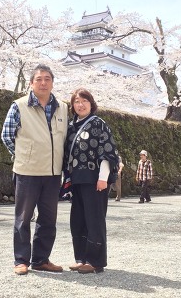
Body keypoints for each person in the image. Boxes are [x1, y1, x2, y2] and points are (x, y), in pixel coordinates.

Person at [1, 64, 68, 275]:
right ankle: (21, 260)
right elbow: (6, 135)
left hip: (52, 173)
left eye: (47, 79)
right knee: (23, 217)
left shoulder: (63, 108)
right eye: (39, 79)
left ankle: (41, 259)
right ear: (31, 83)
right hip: (27, 172)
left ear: (52, 83)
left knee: (48, 219)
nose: (43, 83)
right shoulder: (19, 106)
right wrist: (23, 155)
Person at [64, 88, 119, 274]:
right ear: (72, 106)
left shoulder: (98, 124)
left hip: (95, 179)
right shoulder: (72, 126)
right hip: (76, 180)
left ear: (91, 103)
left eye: (84, 101)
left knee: (94, 219)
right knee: (78, 219)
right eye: (76, 101)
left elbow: (107, 151)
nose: (80, 104)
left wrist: (103, 177)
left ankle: (96, 261)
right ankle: (81, 258)